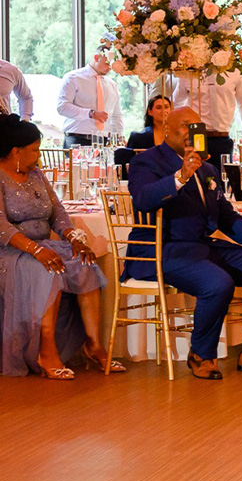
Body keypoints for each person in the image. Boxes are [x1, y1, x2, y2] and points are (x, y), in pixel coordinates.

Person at [128, 108, 242, 379]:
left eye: (197, 127)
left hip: (201, 245)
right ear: (167, 129)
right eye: (184, 126)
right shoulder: (147, 161)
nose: (191, 132)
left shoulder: (207, 168)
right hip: (162, 247)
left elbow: (227, 218)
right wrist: (180, 177)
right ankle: (201, 354)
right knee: (218, 283)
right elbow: (143, 199)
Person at [0, 116, 113, 378]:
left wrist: (74, 238)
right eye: (35, 150)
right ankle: (46, 349)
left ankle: (93, 344)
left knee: (85, 264)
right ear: (16, 152)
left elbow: (58, 213)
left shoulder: (37, 174)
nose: (38, 156)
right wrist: (36, 250)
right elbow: (2, 226)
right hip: (12, 252)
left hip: (44, 245)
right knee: (50, 271)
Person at [170, 69, 242, 164]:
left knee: (223, 177)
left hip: (222, 139)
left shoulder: (235, 71)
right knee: (196, 176)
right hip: (196, 137)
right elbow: (176, 104)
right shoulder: (189, 73)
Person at [57, 50, 123, 146]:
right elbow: (62, 107)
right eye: (107, 63)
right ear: (96, 57)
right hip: (77, 139)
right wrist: (90, 113)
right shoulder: (73, 78)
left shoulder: (112, 85)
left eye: (112, 65)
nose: (109, 68)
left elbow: (116, 115)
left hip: (103, 141)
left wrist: (119, 136)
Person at [114, 94, 172, 172]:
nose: (163, 111)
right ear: (150, 112)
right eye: (158, 107)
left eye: (166, 107)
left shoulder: (178, 135)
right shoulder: (138, 137)